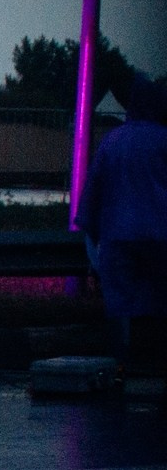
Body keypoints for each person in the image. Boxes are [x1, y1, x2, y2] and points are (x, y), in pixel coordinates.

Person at [83, 63, 167, 360]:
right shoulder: (162, 140)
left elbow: (91, 197)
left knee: (119, 306)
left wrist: (92, 236)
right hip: (160, 238)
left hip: (117, 236)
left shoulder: (112, 142)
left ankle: (119, 366)